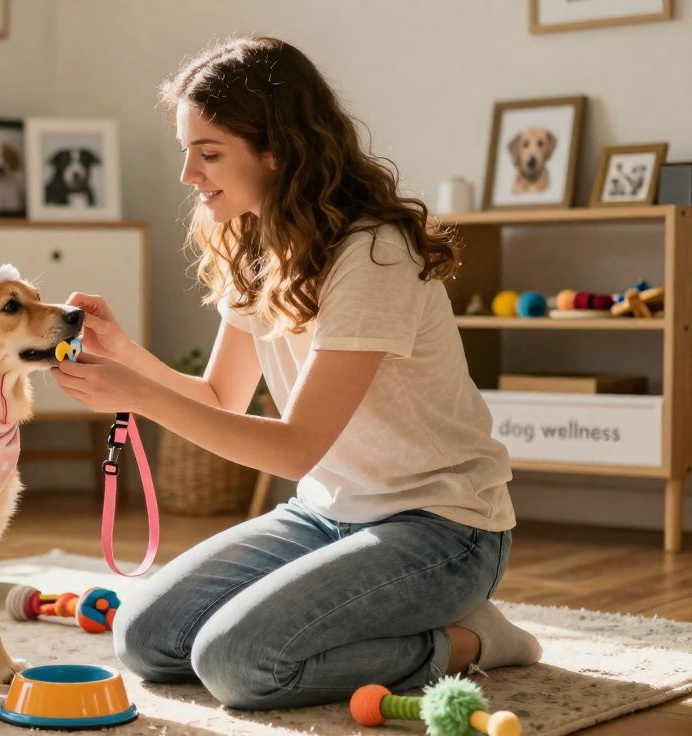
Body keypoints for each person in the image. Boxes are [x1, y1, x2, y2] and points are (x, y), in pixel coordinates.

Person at [52, 36, 541, 710]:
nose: (189, 174)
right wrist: (125, 355)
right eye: (186, 151)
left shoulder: (373, 255)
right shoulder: (258, 246)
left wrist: (137, 395)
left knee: (238, 664)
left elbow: (294, 448)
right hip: (324, 514)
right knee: (145, 638)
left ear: (277, 150)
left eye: (209, 153)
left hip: (443, 529)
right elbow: (220, 396)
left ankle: (473, 641)